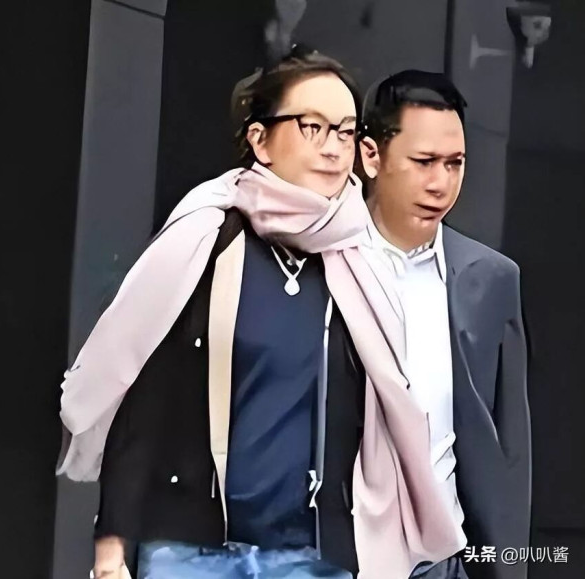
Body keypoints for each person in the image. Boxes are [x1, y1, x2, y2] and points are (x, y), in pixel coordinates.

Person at [57, 47, 467, 579]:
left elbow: (387, 425)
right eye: (312, 127)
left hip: (314, 558)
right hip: (192, 552)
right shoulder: (206, 240)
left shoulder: (362, 261)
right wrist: (111, 550)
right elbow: (146, 399)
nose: (333, 148)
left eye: (345, 132)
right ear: (260, 140)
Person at [358, 70, 531, 579]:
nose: (440, 183)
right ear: (371, 156)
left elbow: (509, 448)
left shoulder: (491, 279)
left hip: (443, 563)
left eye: (454, 163)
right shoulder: (321, 265)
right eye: (424, 162)